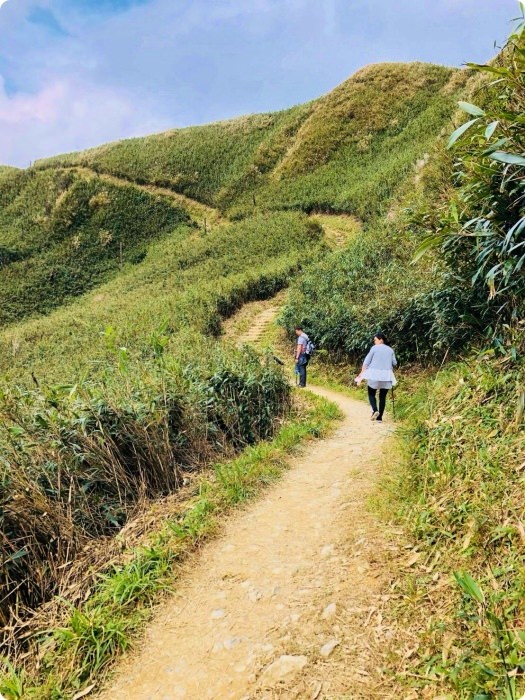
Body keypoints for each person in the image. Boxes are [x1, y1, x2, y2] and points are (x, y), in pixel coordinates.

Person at [355, 333, 397, 422]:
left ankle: (375, 410)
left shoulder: (374, 348)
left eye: (375, 340)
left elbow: (366, 362)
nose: (374, 342)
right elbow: (395, 363)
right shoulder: (390, 350)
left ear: (381, 339)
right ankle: (379, 418)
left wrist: (362, 374)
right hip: (386, 376)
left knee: (371, 394)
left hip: (374, 374)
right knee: (382, 397)